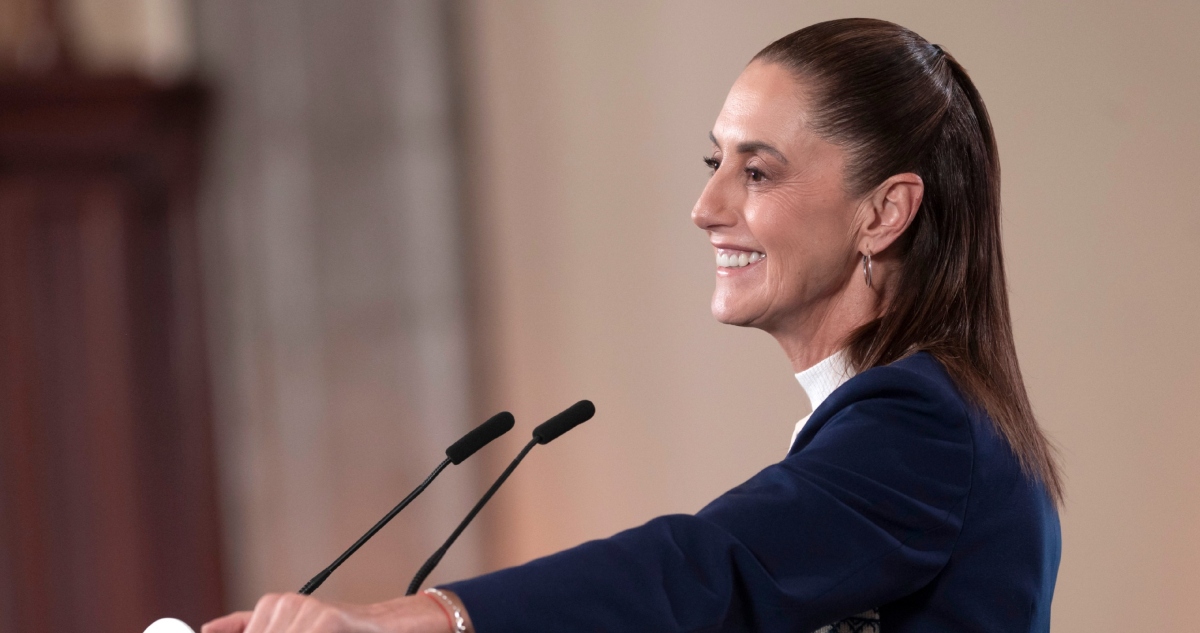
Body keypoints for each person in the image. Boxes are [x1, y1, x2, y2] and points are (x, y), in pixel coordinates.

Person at [203, 17, 1062, 633]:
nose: (706, 206)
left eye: (756, 172)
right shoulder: (901, 418)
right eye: (712, 161)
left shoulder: (924, 426)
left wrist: (421, 620)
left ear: (884, 213)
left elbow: (702, 571)